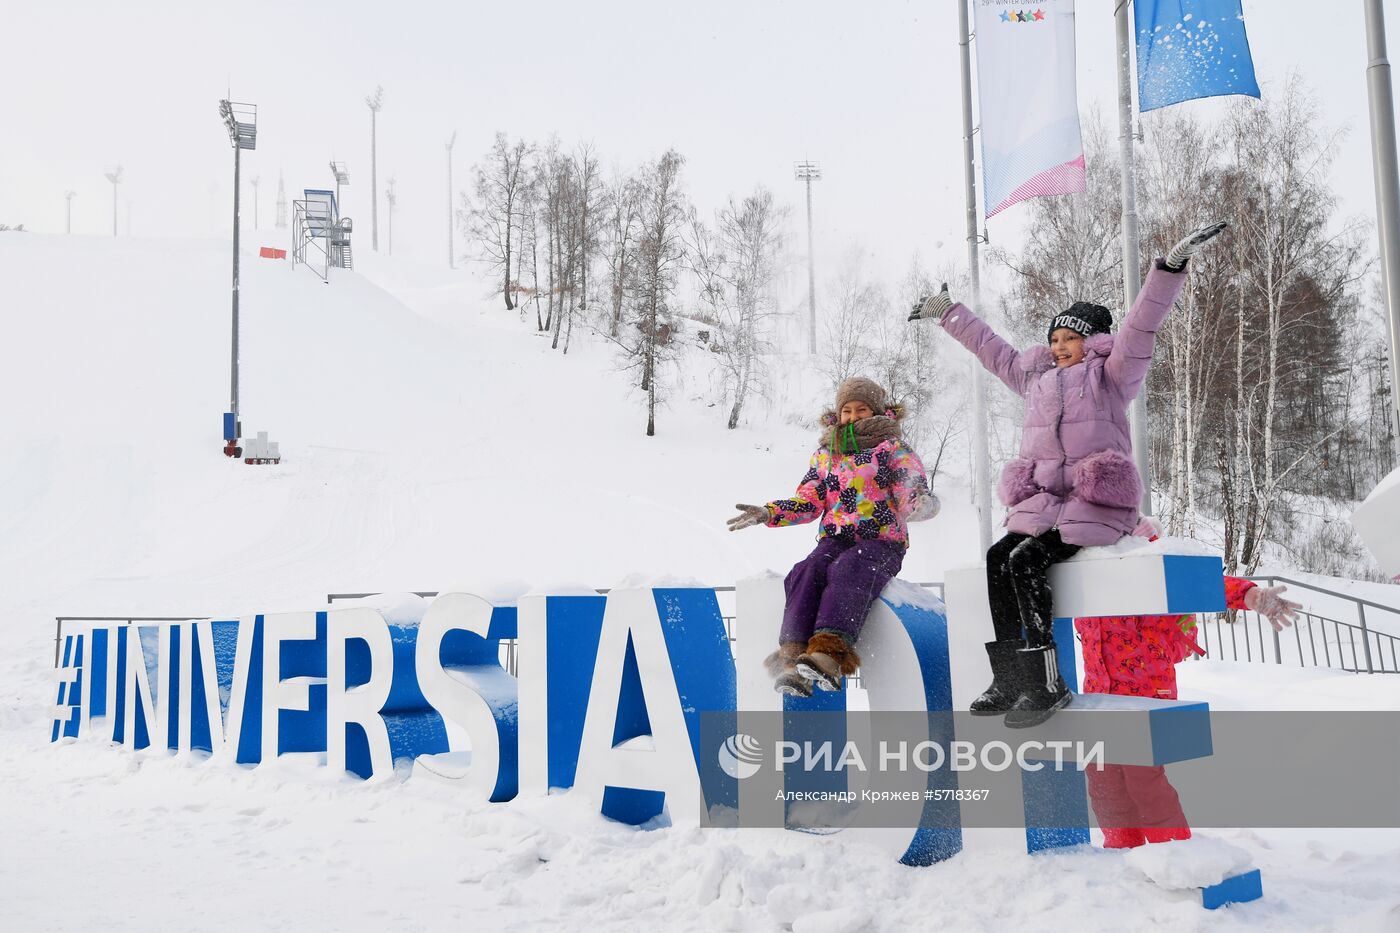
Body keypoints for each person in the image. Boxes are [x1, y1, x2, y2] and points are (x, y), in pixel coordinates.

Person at [909, 221, 1228, 726]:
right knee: (999, 557)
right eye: (1053, 338)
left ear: (1092, 341)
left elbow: (1142, 326)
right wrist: (948, 313)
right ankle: (1012, 678)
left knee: (1027, 561)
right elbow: (990, 348)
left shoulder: (1112, 374)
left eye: (1069, 338)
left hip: (1092, 505)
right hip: (1043, 503)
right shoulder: (1033, 378)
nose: (1059, 346)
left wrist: (1168, 269)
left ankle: (1046, 679)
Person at [1075, 518, 1302, 846]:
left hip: (1147, 696)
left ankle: (1173, 852)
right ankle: (1122, 851)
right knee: (1103, 781)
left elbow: (1201, 583)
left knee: (1143, 782)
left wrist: (1250, 595)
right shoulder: (1087, 577)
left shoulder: (1149, 570)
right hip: (1100, 698)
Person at [727, 377, 939, 696]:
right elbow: (811, 500)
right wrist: (770, 512)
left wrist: (920, 503)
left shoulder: (892, 449)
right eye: (847, 411)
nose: (853, 417)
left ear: (877, 412)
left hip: (881, 542)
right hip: (836, 538)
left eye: (861, 409)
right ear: (837, 415)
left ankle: (829, 652)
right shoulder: (826, 454)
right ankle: (793, 658)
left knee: (849, 568)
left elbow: (908, 487)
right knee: (806, 571)